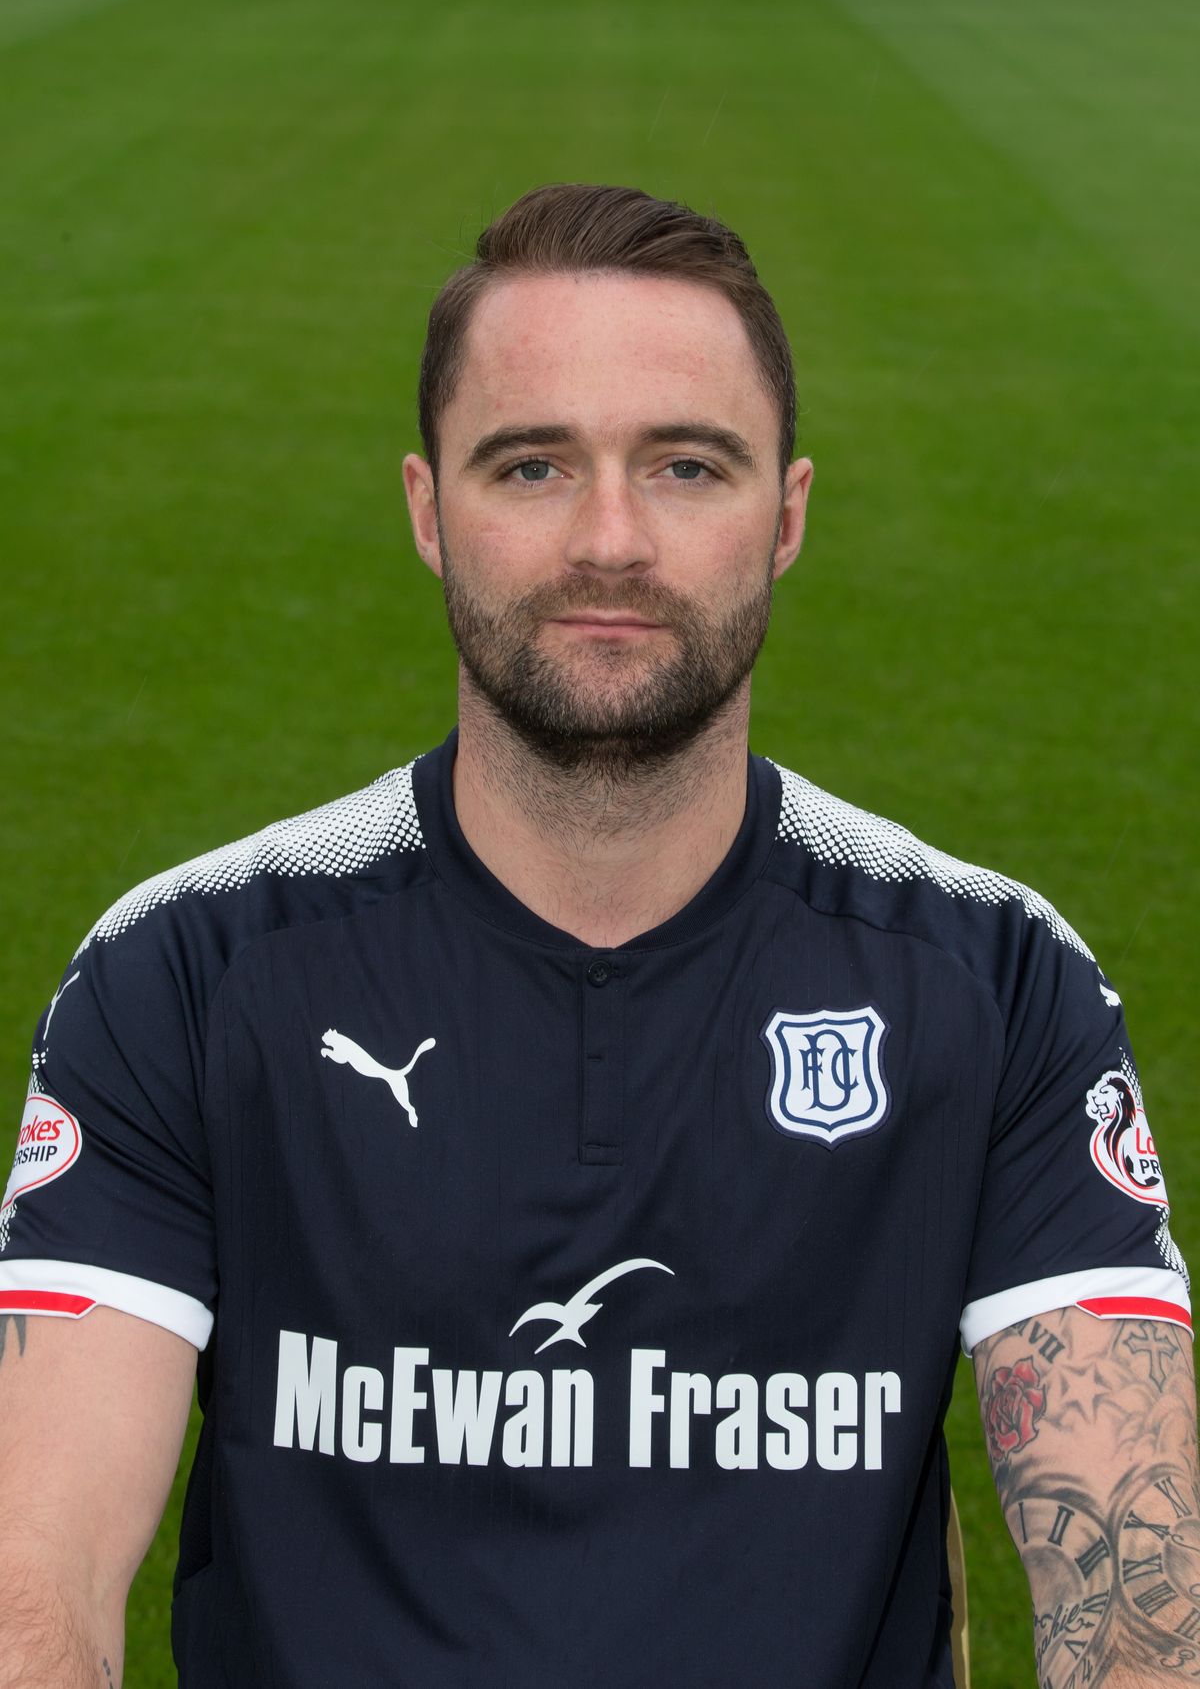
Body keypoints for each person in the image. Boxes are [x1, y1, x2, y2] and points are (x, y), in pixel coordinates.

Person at [0, 182, 1194, 1689]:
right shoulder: (185, 975)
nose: (611, 540)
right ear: (431, 510)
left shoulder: (995, 980)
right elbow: (31, 1585)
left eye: (688, 467)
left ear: (788, 514)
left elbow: (1139, 1608)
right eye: (533, 465)